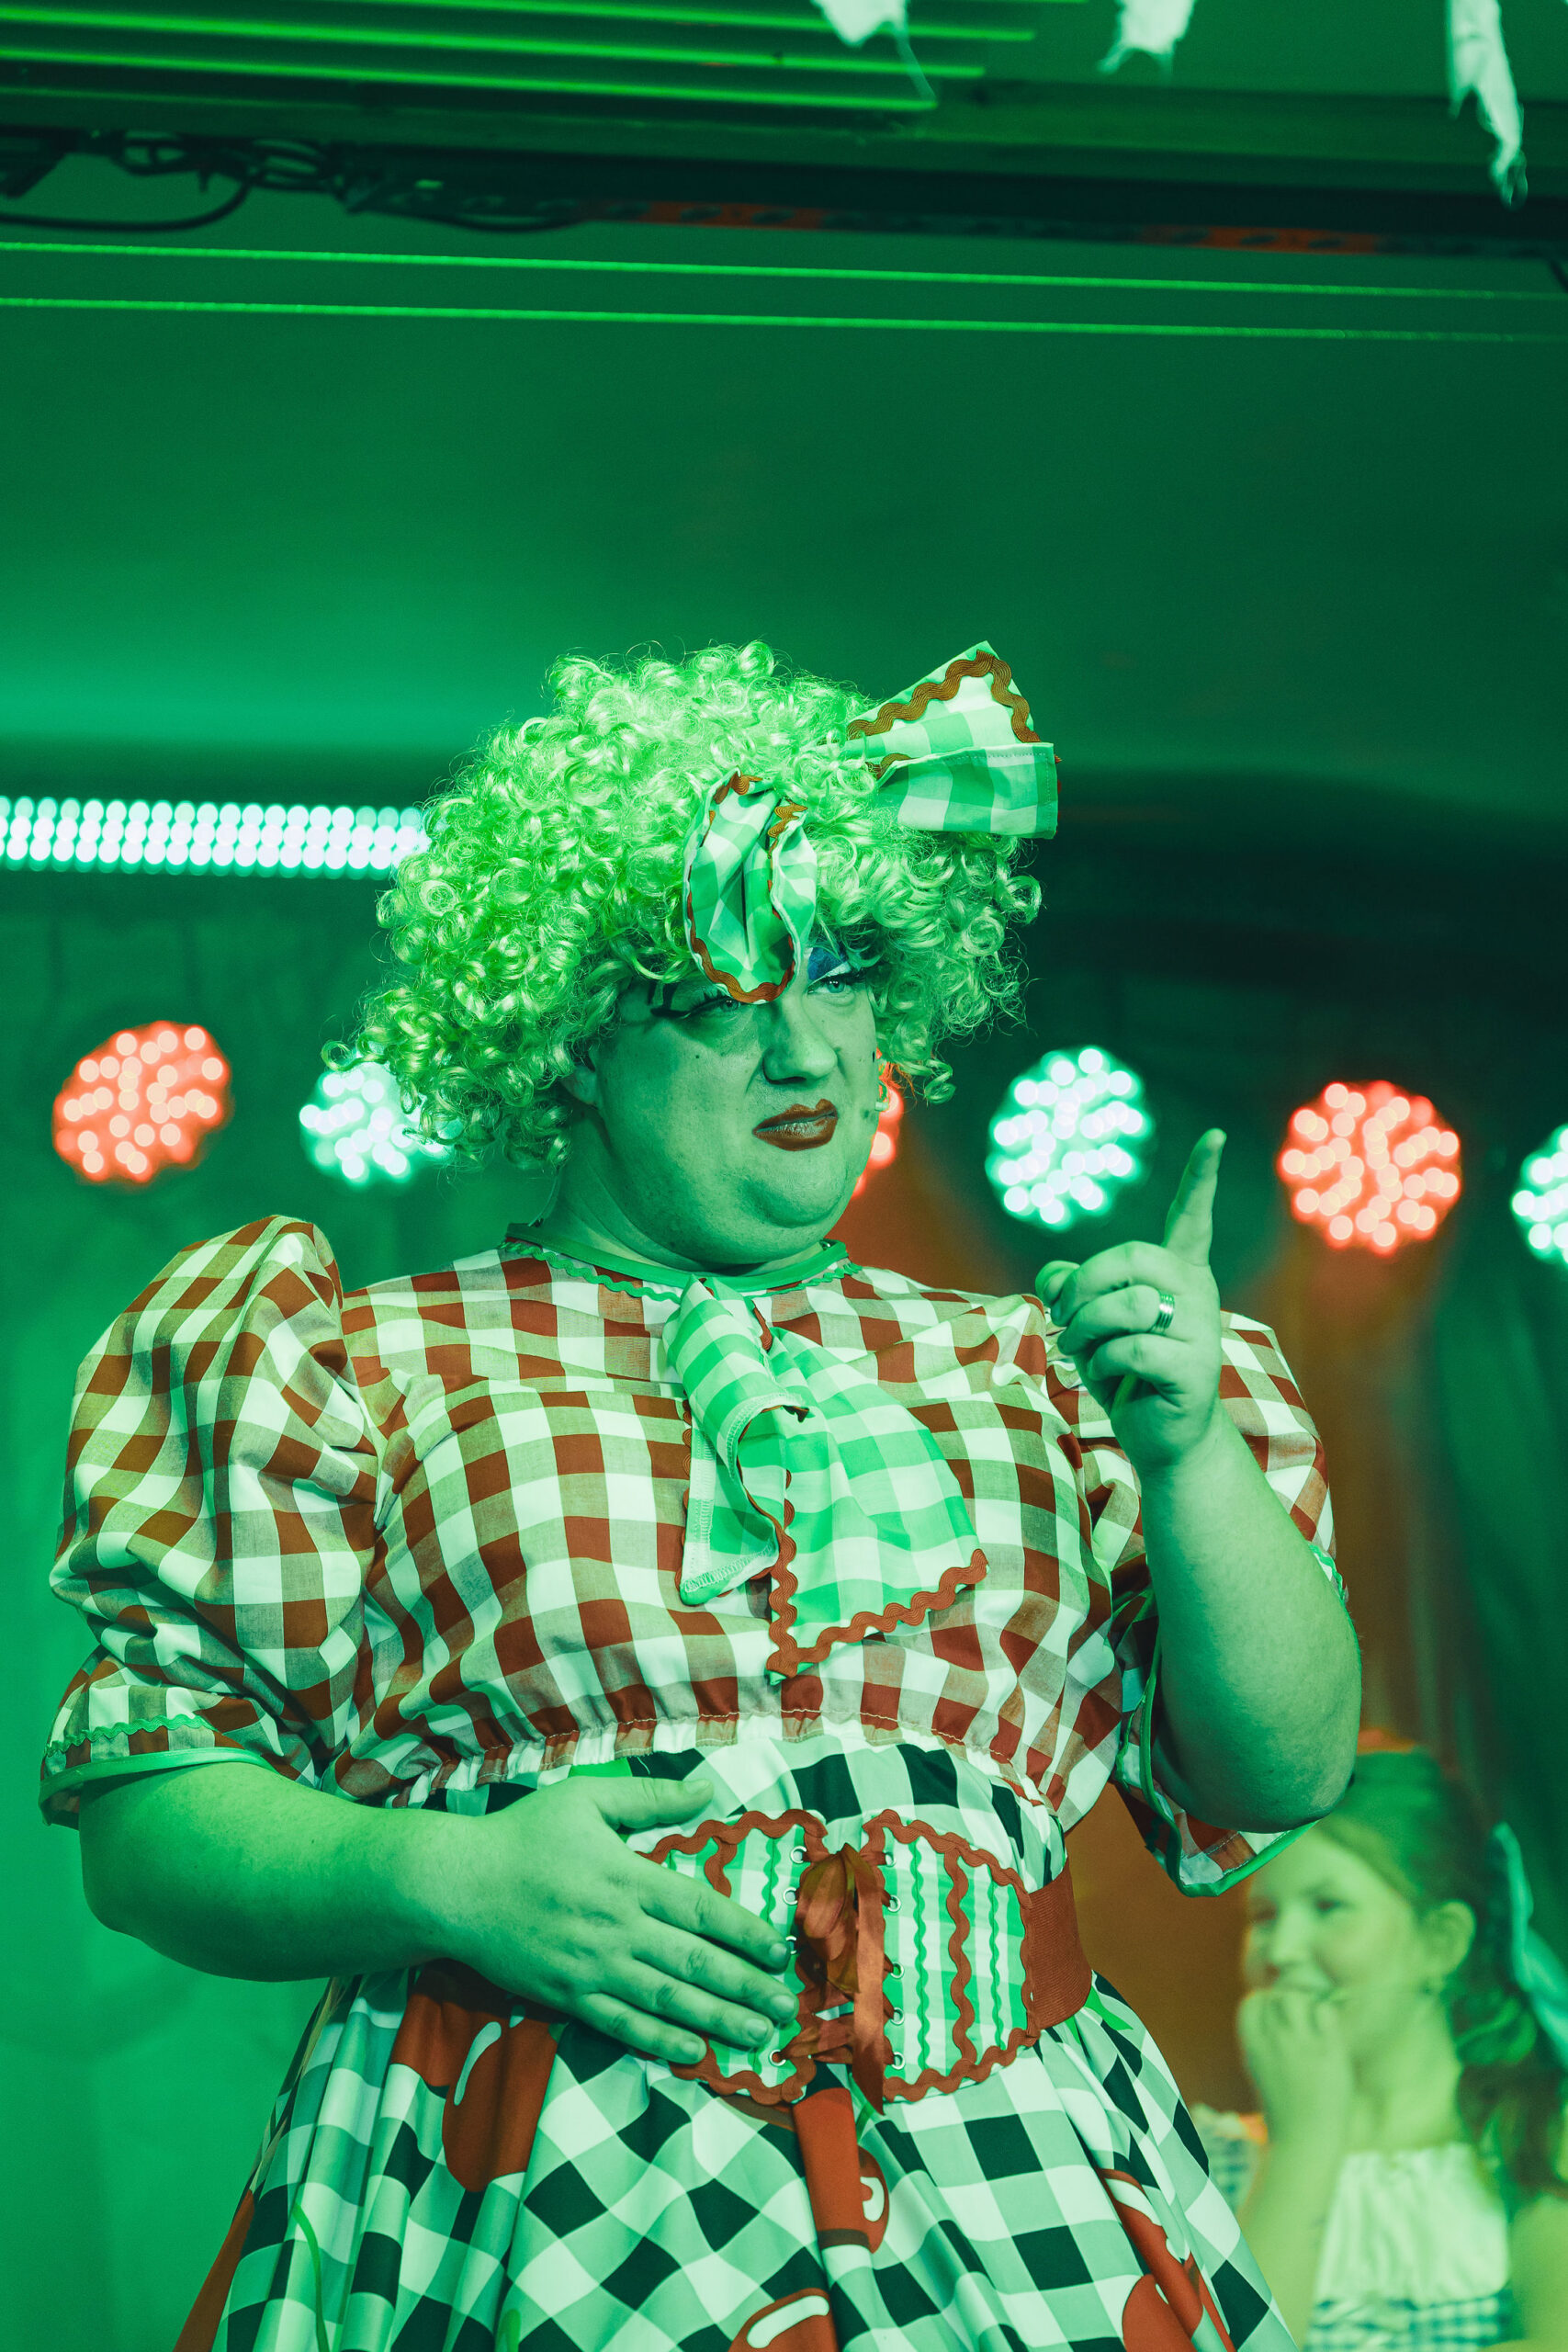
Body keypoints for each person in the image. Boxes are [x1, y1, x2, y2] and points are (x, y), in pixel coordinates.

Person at [42, 639, 1359, 2352]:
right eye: (718, 997)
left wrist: (1183, 1454)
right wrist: (447, 1877)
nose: (804, 1051)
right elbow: (148, 1827)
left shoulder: (1040, 1371)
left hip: (1006, 2187)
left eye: (843, 973)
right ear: (573, 1042)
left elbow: (1286, 1769)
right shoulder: (358, 1362)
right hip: (528, 2175)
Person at [1197, 1741, 1568, 2352]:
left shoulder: (1534, 2137)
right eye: (1263, 1915)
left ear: (1440, 1942)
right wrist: (1302, 2144)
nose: (1281, 1951)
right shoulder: (1207, 2161)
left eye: (1328, 1906)